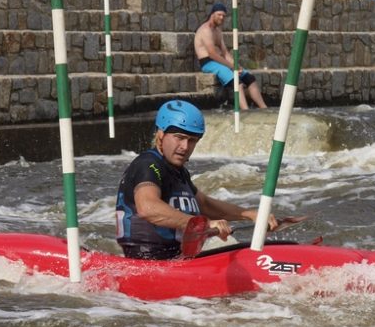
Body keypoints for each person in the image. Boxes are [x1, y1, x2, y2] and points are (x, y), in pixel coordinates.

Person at [115, 100, 278, 260]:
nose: (185, 147)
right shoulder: (147, 165)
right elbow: (148, 208)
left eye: (192, 140)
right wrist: (204, 225)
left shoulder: (178, 171)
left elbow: (205, 205)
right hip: (146, 262)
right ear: (160, 135)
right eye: (179, 137)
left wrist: (250, 214)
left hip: (176, 260)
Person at [194, 3, 268, 109]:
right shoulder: (205, 30)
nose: (222, 18)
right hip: (208, 63)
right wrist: (231, 67)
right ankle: (245, 111)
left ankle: (264, 108)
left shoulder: (218, 31)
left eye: (224, 16)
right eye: (219, 15)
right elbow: (212, 54)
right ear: (212, 14)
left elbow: (225, 53)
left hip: (218, 61)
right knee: (237, 82)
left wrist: (236, 65)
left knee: (249, 77)